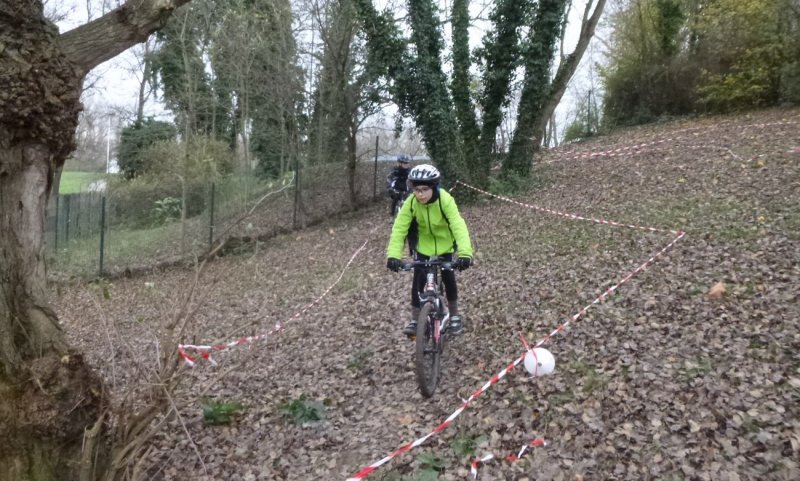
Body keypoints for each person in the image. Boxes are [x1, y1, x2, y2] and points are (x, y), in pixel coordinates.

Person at [386, 164, 473, 336]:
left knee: (448, 276)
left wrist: (465, 253)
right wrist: (393, 255)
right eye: (417, 190)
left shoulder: (445, 200)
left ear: (434, 187)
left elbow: (458, 225)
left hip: (444, 244)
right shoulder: (411, 203)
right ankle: (415, 318)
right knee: (418, 278)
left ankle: (454, 314)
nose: (420, 194)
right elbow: (399, 228)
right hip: (423, 245)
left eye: (425, 189)